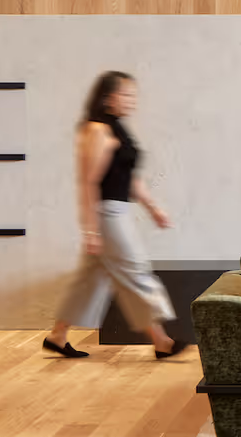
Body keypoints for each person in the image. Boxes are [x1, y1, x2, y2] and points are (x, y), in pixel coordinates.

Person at [44, 71, 186, 360]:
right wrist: (90, 231)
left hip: (117, 211)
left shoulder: (119, 130)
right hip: (106, 215)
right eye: (127, 94)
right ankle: (162, 341)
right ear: (109, 98)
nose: (132, 100)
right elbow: (89, 183)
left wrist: (153, 208)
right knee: (135, 270)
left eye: (133, 95)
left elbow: (130, 178)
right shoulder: (97, 130)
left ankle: (57, 335)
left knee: (90, 279)